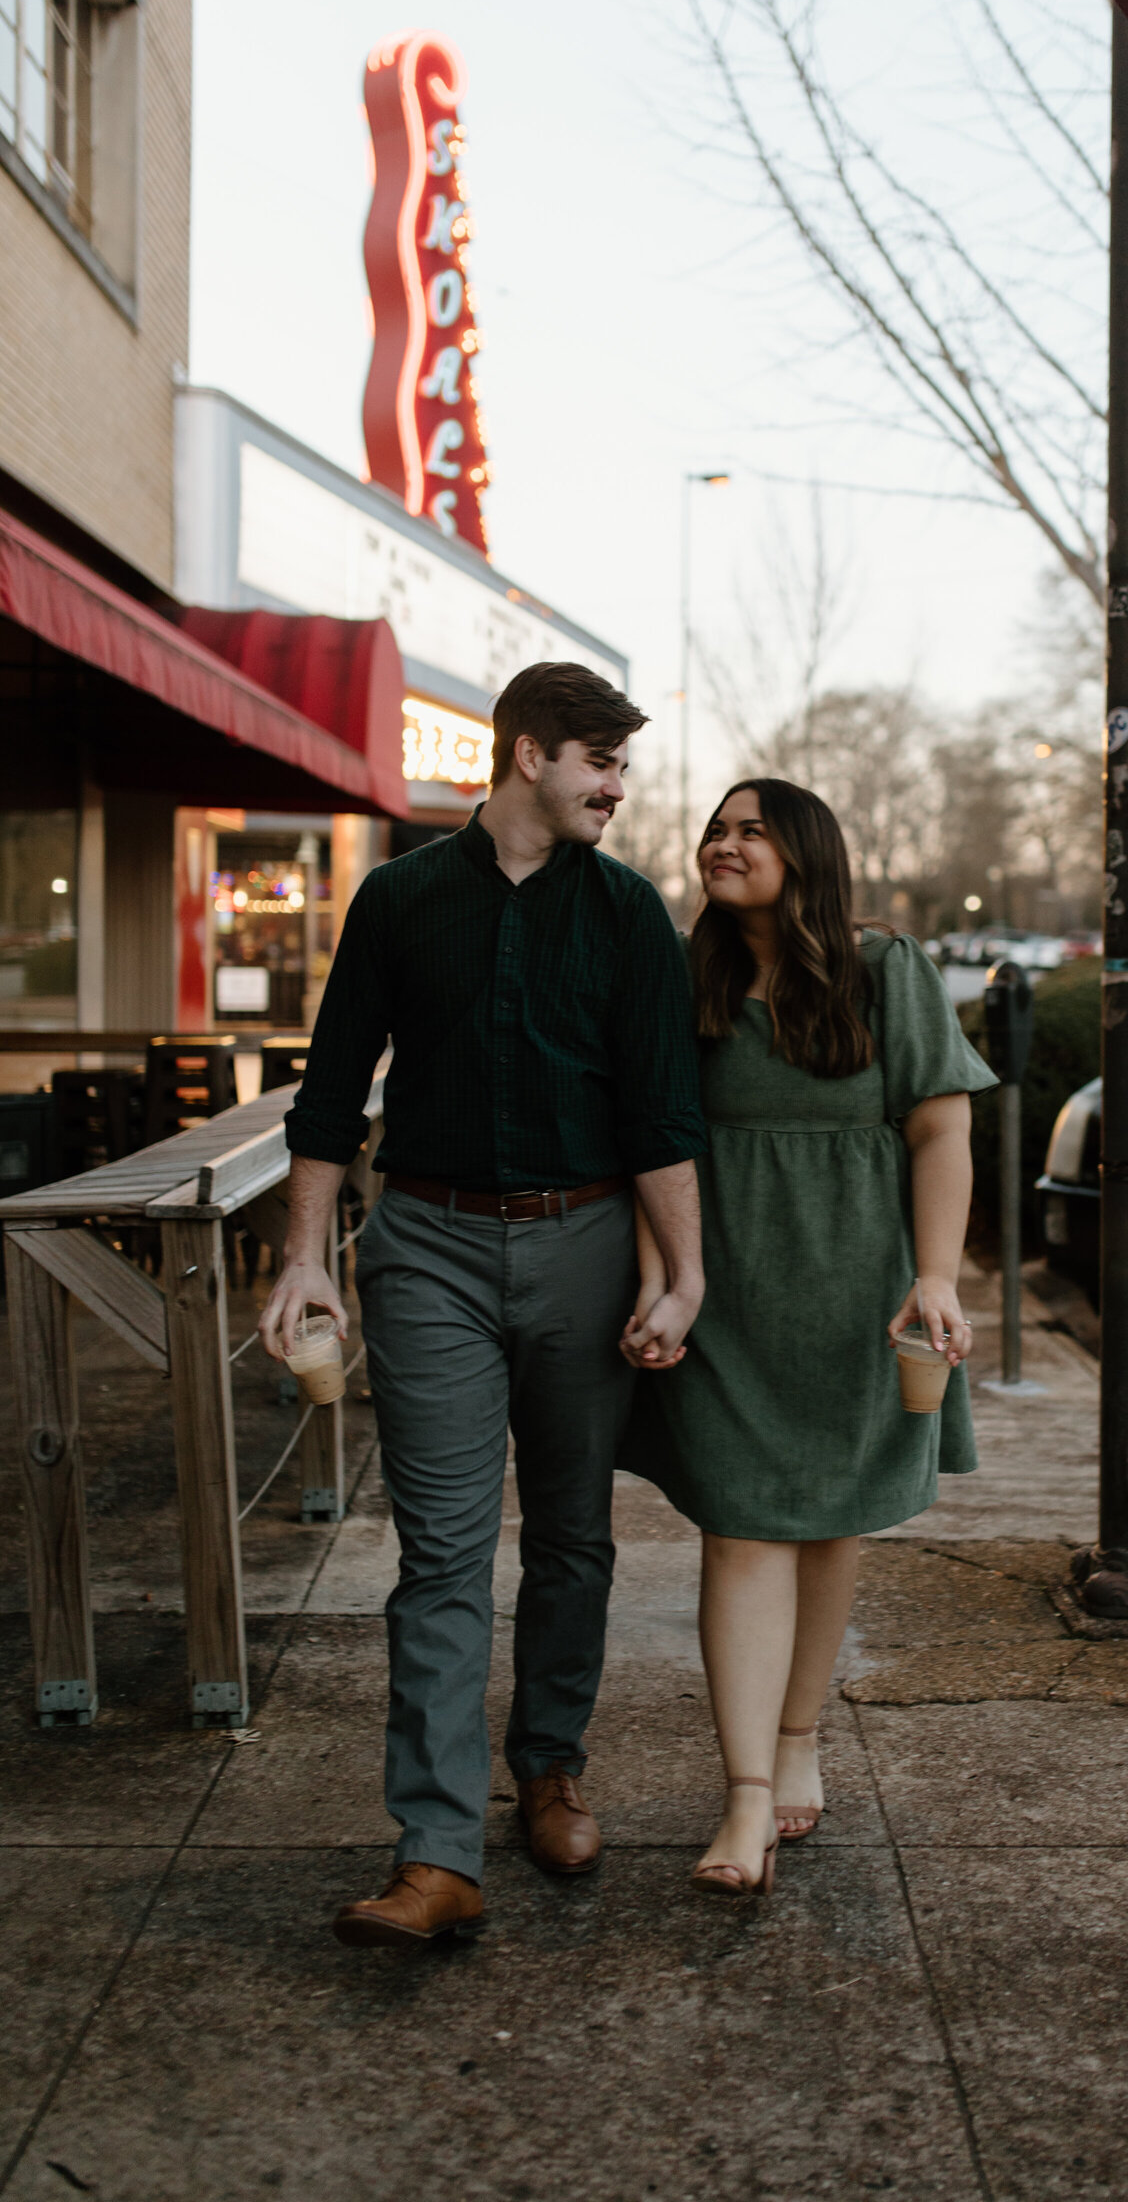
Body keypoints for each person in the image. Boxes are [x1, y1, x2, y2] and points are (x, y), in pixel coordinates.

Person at [259, 661, 706, 1948]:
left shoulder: (628, 913)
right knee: (442, 1554)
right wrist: (303, 1257)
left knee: (571, 1535)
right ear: (527, 755)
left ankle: (550, 1769)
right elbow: (330, 1094)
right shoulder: (399, 900)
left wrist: (683, 1275)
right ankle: (437, 1851)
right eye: (599, 763)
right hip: (429, 1251)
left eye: (621, 768)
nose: (615, 789)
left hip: (584, 1247)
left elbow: (660, 1114)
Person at [620, 779, 995, 1896]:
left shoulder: (888, 971)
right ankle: (745, 1794)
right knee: (742, 1530)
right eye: (716, 830)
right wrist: (660, 1282)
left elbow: (941, 1130)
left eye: (752, 831)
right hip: (724, 1290)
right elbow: (651, 1140)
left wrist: (937, 1276)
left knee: (834, 1524)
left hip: (859, 1294)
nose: (722, 844)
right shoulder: (678, 974)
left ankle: (796, 1740)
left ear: (808, 855)